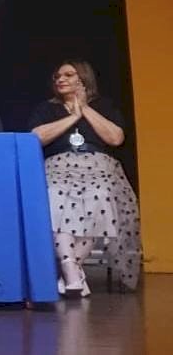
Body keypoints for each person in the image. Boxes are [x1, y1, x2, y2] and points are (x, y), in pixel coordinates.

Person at [28, 59, 141, 296]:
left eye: (68, 75)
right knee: (54, 196)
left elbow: (115, 138)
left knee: (100, 196)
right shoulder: (47, 109)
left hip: (98, 164)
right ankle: (72, 271)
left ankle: (70, 269)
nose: (60, 79)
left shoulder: (104, 105)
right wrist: (73, 116)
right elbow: (36, 138)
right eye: (57, 76)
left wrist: (85, 109)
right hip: (59, 165)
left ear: (84, 79)